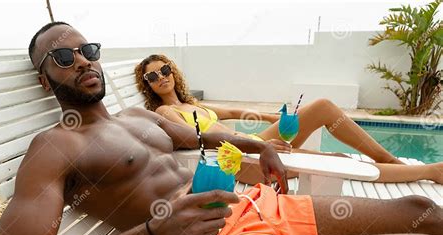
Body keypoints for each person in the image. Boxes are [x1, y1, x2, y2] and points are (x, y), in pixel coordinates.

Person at [0, 22, 442, 235]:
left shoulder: (139, 118)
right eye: (63, 57)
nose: (82, 59)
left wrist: (255, 146)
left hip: (254, 204)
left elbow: (204, 136)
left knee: (421, 209)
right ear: (46, 80)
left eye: (88, 49)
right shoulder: (53, 146)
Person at [135, 54, 443, 184]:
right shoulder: (165, 112)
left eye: (164, 70)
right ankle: (430, 172)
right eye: (152, 76)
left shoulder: (193, 104)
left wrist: (284, 118)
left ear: (173, 73)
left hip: (254, 144)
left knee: (321, 106)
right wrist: (254, 146)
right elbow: (192, 141)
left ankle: (391, 160)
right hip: (238, 159)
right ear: (147, 85)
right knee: (335, 160)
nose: (160, 77)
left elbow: (236, 113)